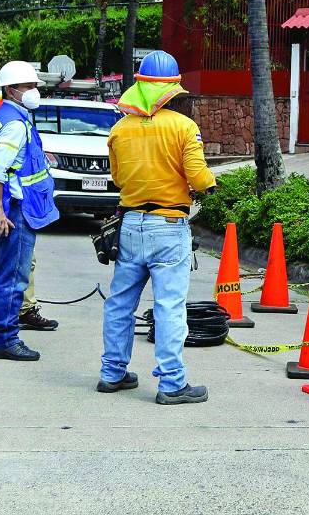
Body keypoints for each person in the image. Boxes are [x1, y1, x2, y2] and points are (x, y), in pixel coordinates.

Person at [97, 50, 216, 405]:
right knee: (169, 307)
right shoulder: (183, 127)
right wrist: (209, 185)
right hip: (169, 225)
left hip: (131, 224)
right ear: (171, 90)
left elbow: (118, 178)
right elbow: (198, 176)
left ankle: (112, 373)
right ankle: (171, 383)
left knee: (119, 303)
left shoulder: (120, 129)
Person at [0, 60, 60, 360]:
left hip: (7, 210)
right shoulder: (16, 123)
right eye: (29, 86)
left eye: (35, 86)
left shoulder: (3, 116)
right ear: (11, 90)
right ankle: (6, 339)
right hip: (15, 212)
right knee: (13, 276)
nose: (34, 91)